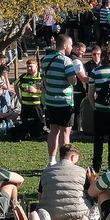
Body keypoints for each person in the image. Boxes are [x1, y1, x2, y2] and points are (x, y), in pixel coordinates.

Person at [41, 36, 82, 164]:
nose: (71, 47)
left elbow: (44, 80)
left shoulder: (46, 59)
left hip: (50, 101)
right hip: (64, 102)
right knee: (65, 132)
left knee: (53, 131)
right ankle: (65, 161)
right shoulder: (66, 61)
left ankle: (51, 160)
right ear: (64, 46)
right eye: (70, 45)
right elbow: (73, 81)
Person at [37, 144, 91, 220]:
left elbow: (40, 196)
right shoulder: (82, 171)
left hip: (50, 214)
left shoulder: (46, 171)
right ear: (72, 157)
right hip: (78, 214)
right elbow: (89, 194)